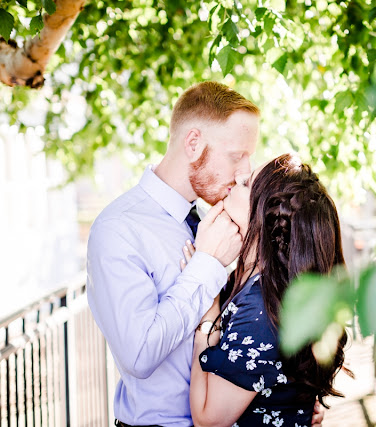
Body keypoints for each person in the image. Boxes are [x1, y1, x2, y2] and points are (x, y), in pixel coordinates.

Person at [86, 81, 260, 426]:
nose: (244, 171)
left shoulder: (212, 220)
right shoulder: (118, 229)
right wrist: (206, 266)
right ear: (193, 143)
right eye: (237, 156)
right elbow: (139, 354)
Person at [185, 154, 349, 427]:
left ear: (264, 217)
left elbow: (208, 420)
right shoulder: (258, 285)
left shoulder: (263, 309)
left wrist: (209, 308)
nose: (238, 178)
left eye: (247, 183)